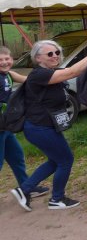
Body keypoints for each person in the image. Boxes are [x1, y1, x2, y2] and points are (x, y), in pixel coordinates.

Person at [10, 40, 87, 210]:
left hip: (44, 127)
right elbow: (73, 71)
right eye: (50, 53)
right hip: (39, 128)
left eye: (57, 52)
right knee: (66, 160)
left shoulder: (49, 73)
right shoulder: (40, 74)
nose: (55, 56)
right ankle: (57, 198)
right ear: (38, 58)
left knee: (56, 160)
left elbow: (74, 72)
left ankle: (24, 189)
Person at [1, 46, 49, 198]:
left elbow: (30, 80)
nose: (4, 62)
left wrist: (50, 76)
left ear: (12, 59)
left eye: (7, 58)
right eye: (0, 60)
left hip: (6, 126)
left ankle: (27, 187)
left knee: (17, 157)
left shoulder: (9, 74)